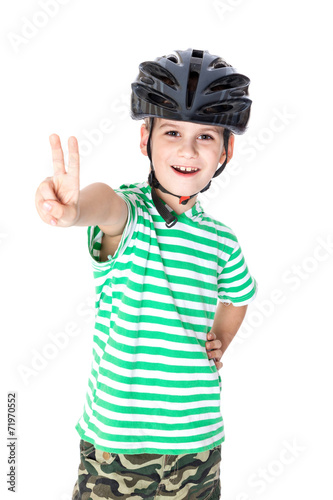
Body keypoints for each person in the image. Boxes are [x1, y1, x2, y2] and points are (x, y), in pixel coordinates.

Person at [35, 48, 257, 500]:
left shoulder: (222, 240)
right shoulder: (131, 214)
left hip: (198, 443)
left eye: (206, 137)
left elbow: (238, 296)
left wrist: (219, 341)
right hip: (117, 445)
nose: (187, 150)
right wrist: (75, 210)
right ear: (145, 139)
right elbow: (105, 205)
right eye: (172, 131)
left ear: (226, 150)